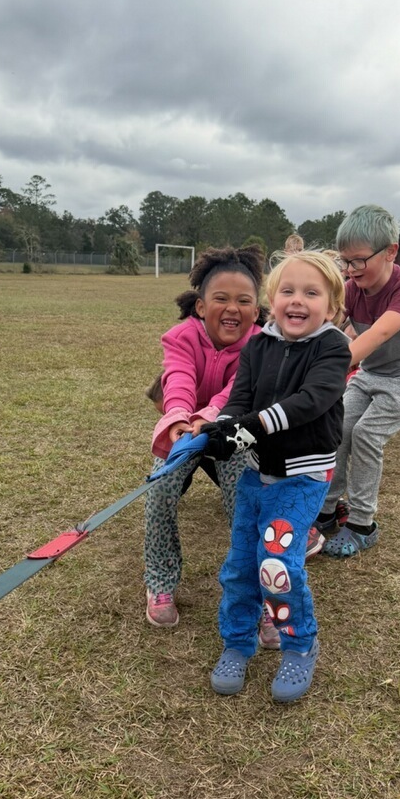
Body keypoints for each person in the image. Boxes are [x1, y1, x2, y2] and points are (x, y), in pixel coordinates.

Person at [199, 250, 351, 702]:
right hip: (254, 476)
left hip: (302, 481)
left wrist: (249, 427)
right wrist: (222, 429)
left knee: (277, 565)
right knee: (241, 565)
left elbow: (310, 400)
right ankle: (238, 642)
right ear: (272, 299)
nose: (297, 301)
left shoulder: (333, 347)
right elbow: (239, 399)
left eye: (311, 292)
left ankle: (299, 644)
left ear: (332, 305)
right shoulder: (258, 345)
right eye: (287, 291)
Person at [144, 246, 263, 627]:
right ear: (200, 306)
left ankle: (255, 584)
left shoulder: (260, 347)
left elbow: (235, 394)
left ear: (256, 311)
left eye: (244, 301)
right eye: (221, 299)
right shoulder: (180, 337)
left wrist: (209, 420)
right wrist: (179, 419)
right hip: (186, 432)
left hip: (230, 431)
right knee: (160, 489)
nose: (233, 308)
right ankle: (160, 581)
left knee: (247, 498)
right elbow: (177, 378)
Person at [315, 204, 400, 557]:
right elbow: (331, 323)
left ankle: (362, 524)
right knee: (338, 428)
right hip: (372, 373)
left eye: (357, 261)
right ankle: (326, 511)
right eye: (345, 262)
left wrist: (330, 365)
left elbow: (380, 333)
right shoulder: (353, 288)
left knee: (367, 434)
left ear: (390, 252)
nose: (350, 270)